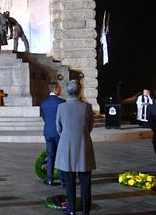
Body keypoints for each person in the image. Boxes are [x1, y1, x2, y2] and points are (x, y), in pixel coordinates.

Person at [55, 80, 96, 215]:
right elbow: (90, 127)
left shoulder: (61, 107)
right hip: (83, 147)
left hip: (66, 147)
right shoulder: (87, 107)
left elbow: (58, 128)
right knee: (86, 183)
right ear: (79, 90)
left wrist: (67, 136)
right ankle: (85, 211)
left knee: (69, 182)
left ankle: (72, 210)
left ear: (67, 91)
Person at [40, 82, 66, 186]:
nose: (60, 90)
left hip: (48, 132)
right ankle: (63, 179)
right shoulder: (62, 102)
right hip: (59, 133)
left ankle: (50, 179)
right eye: (59, 88)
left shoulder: (43, 102)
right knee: (62, 156)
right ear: (55, 89)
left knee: (50, 156)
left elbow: (44, 117)